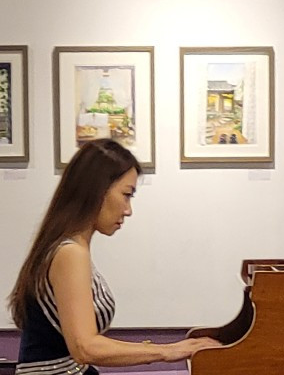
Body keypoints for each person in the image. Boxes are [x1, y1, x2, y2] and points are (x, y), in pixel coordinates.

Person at [7, 139, 219, 374]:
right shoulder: (70, 253)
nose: (128, 210)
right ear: (97, 191)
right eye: (126, 195)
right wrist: (168, 351)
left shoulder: (67, 247)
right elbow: (85, 347)